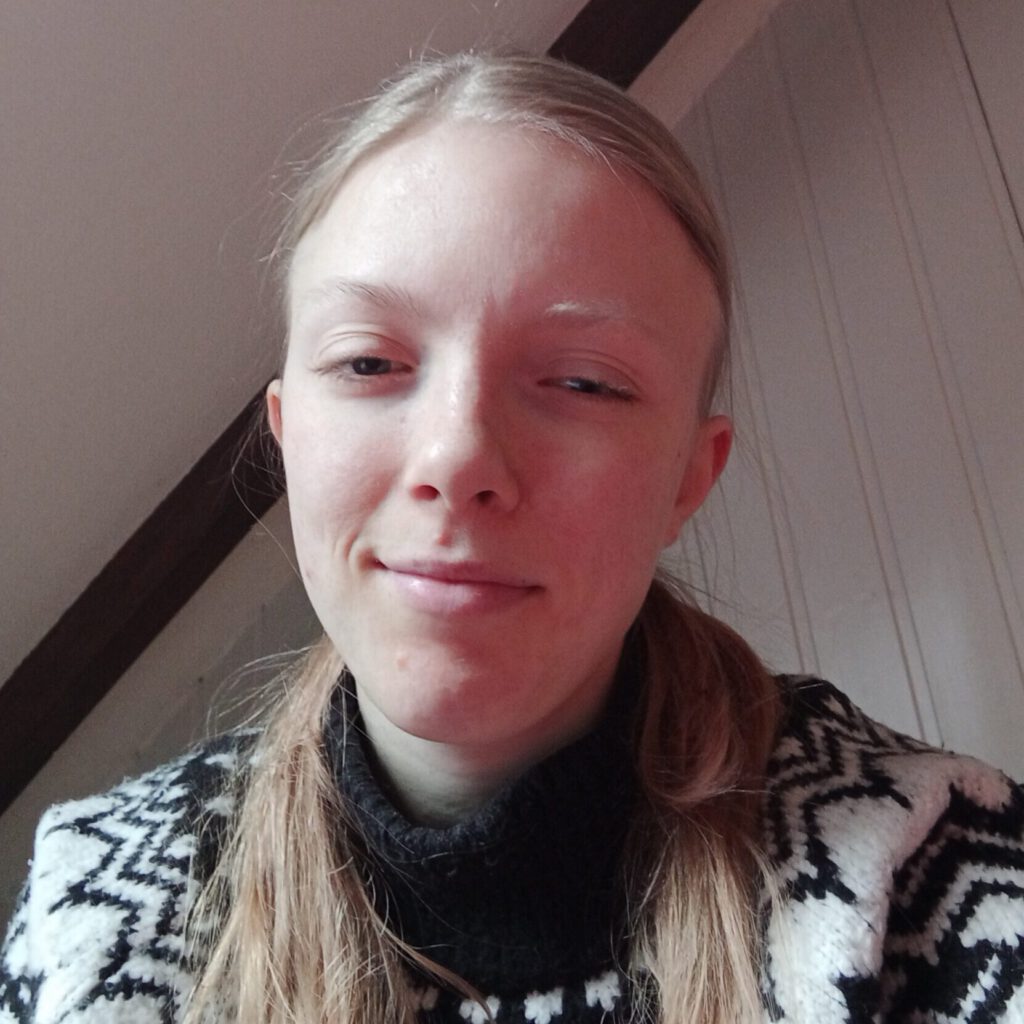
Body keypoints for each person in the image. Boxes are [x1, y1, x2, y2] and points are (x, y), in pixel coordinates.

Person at [1, 52, 1022, 1024]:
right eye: (368, 364)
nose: (456, 456)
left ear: (688, 476)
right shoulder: (88, 908)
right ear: (287, 433)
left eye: (582, 381)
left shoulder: (935, 876)